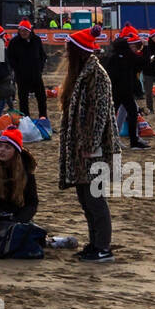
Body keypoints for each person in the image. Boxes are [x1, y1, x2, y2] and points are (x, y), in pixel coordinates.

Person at [58, 28, 120, 262]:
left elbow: (99, 114)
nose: (65, 54)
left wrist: (91, 144)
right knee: (85, 198)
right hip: (80, 148)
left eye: (68, 49)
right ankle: (95, 244)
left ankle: (103, 247)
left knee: (95, 198)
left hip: (94, 149)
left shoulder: (97, 75)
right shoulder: (82, 73)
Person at [0, 128, 38, 222]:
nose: (2, 150)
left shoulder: (26, 168)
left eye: (7, 147)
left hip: (18, 215)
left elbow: (32, 202)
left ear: (16, 152)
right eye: (0, 146)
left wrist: (19, 219)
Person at [105, 26, 148, 150]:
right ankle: (132, 141)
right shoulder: (128, 55)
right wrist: (146, 48)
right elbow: (143, 62)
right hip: (125, 91)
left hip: (115, 90)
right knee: (131, 113)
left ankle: (112, 141)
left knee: (113, 115)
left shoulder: (113, 56)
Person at [8, 19, 48, 120]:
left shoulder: (36, 40)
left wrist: (40, 68)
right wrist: (17, 69)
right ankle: (26, 119)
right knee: (23, 99)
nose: (23, 33)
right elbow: (10, 58)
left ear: (30, 31)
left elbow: (43, 55)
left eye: (25, 31)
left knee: (41, 97)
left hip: (36, 74)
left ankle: (43, 117)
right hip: (22, 76)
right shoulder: (14, 42)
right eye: (21, 31)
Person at [140, 30, 155, 114]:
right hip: (148, 73)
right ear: (151, 37)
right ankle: (150, 108)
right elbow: (146, 58)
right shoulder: (146, 47)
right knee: (148, 92)